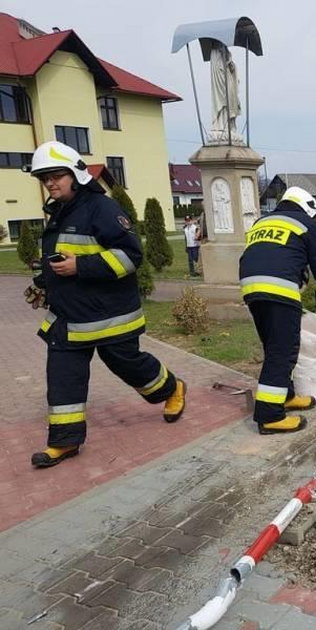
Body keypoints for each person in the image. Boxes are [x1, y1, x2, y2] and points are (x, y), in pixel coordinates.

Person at [24, 141, 186, 468]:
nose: (51, 184)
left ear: (76, 175)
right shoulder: (59, 212)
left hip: (109, 315)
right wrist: (44, 280)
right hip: (68, 317)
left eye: (57, 176)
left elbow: (130, 257)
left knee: (127, 364)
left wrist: (80, 267)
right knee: (62, 376)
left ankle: (172, 388)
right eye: (45, 179)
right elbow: (65, 255)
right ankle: (65, 442)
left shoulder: (103, 209)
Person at [239, 186, 316, 434]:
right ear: (309, 207)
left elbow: (268, 255)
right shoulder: (305, 224)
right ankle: (269, 415)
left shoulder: (262, 222)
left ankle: (286, 395)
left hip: (251, 287)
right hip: (279, 289)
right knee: (282, 351)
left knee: (274, 346)